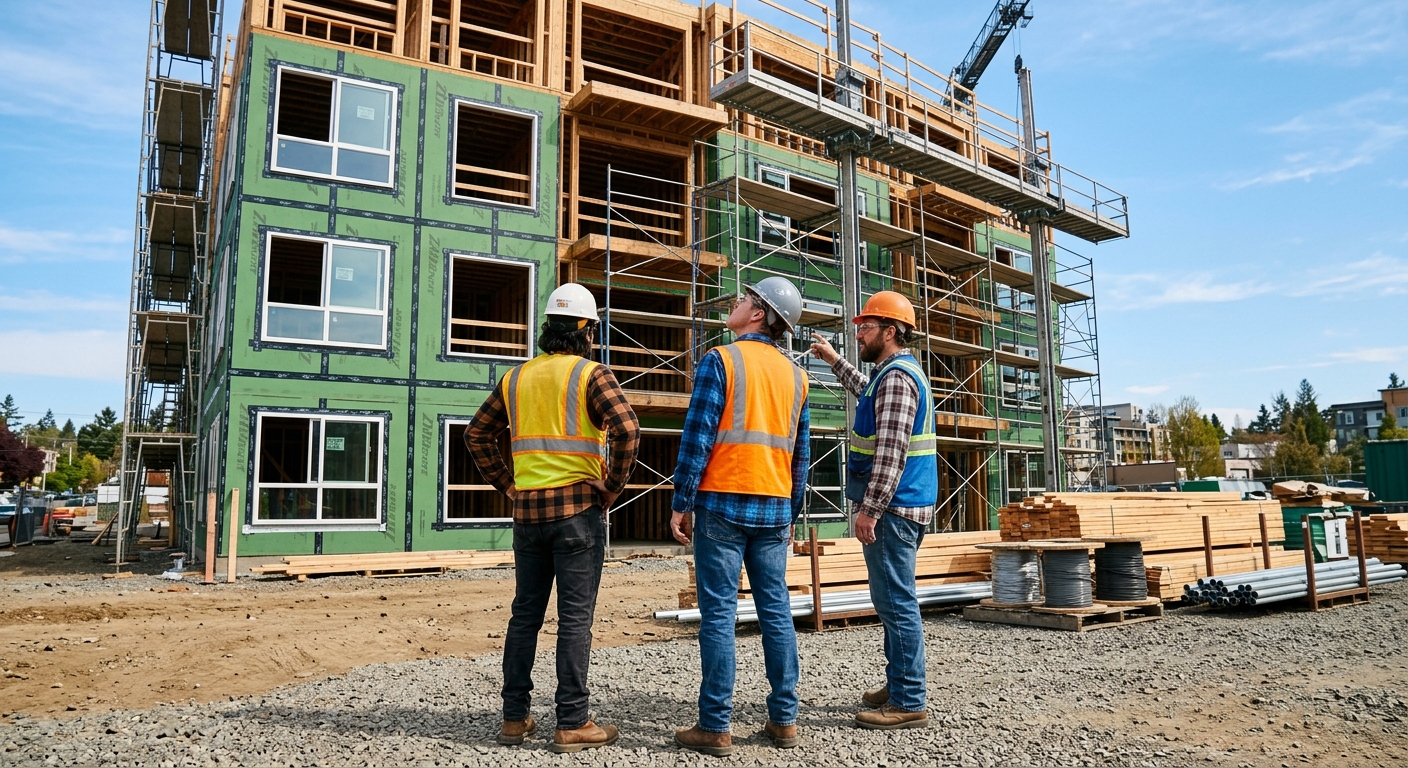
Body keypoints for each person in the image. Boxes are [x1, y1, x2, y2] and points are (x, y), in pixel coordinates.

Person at [466, 282, 640, 752]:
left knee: (525, 615)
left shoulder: (516, 378)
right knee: (574, 619)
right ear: (586, 330)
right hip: (578, 513)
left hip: (529, 516)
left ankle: (514, 718)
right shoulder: (591, 374)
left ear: (548, 328)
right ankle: (572, 721)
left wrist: (509, 486)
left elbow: (476, 435)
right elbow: (627, 429)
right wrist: (614, 487)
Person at [670, 276, 810, 756]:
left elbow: (698, 438)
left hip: (722, 504)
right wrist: (792, 511)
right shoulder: (797, 376)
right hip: (773, 506)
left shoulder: (720, 360)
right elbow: (801, 455)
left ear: (759, 314)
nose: (736, 301)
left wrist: (681, 500)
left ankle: (715, 725)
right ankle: (784, 720)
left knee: (719, 616)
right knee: (776, 612)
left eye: (745, 298)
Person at [809, 290, 936, 730]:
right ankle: (901, 680)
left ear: (890, 331)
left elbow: (891, 452)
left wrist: (870, 510)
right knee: (891, 600)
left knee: (896, 603)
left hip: (894, 510)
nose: (858, 333)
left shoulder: (897, 379)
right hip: (901, 508)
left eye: (865, 327)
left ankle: (908, 698)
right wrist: (831, 359)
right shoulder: (889, 376)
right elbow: (867, 392)